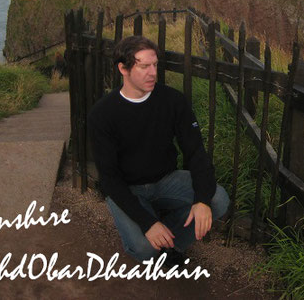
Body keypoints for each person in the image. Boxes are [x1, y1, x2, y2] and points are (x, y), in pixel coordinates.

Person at [88, 35, 229, 265]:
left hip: (167, 179)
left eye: (155, 65)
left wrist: (202, 200)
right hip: (128, 188)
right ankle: (155, 237)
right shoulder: (102, 114)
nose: (153, 72)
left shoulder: (173, 101)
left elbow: (195, 152)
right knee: (143, 249)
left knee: (218, 200)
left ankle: (168, 244)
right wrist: (147, 223)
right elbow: (109, 178)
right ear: (123, 68)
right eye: (144, 66)